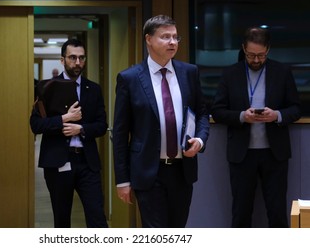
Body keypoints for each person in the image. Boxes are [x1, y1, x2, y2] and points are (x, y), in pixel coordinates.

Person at [112, 15, 210, 228]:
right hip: (148, 171)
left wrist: (200, 141)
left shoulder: (189, 73)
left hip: (182, 171)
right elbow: (120, 134)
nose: (173, 42)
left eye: (175, 37)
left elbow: (202, 113)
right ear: (149, 39)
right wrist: (123, 180)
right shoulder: (129, 78)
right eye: (165, 37)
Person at [210, 26, 301, 227]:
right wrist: (242, 116)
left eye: (261, 55)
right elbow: (217, 111)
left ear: (268, 49)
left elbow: (296, 109)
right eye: (251, 55)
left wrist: (276, 115)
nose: (256, 60)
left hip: (274, 153)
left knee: (277, 212)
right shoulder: (230, 74)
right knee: (241, 213)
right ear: (243, 49)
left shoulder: (282, 72)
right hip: (241, 155)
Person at [30, 39, 108, 228]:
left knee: (97, 217)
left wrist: (80, 129)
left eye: (81, 58)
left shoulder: (94, 89)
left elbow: (101, 125)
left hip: (87, 163)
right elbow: (36, 124)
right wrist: (64, 119)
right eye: (72, 57)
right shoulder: (46, 87)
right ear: (62, 60)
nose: (77, 62)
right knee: (62, 220)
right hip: (58, 161)